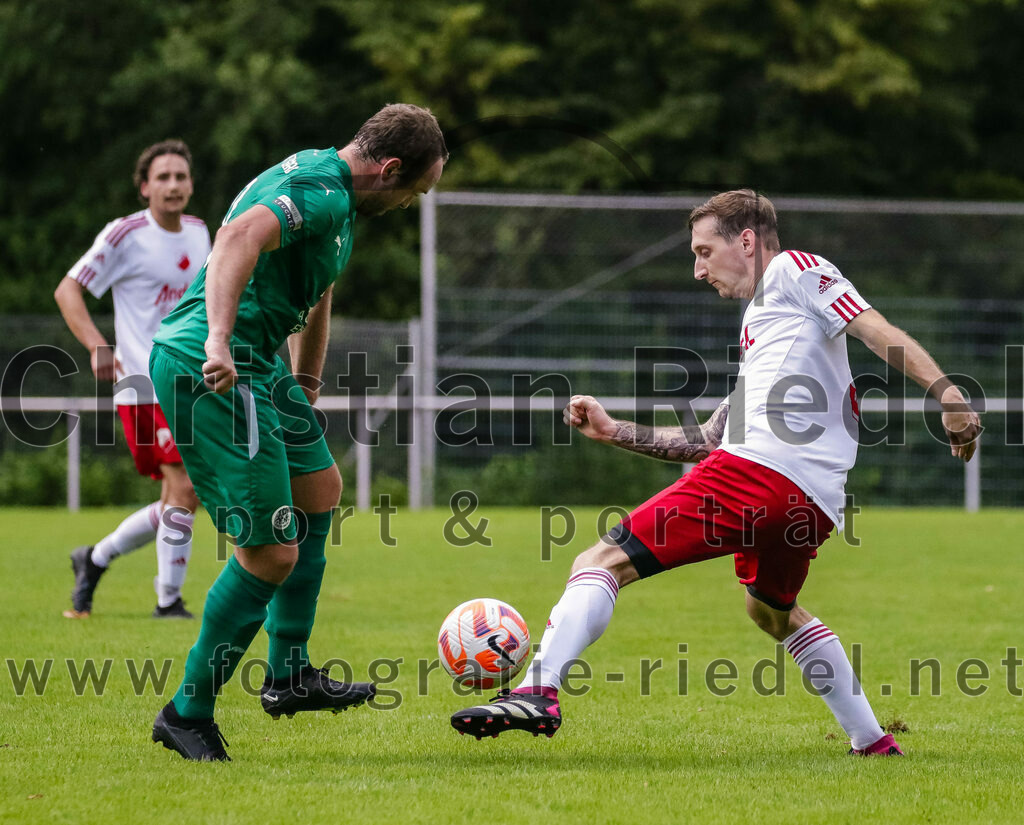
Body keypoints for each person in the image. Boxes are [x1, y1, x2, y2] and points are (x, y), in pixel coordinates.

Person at [451, 189, 981, 756]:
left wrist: (948, 395)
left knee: (600, 561)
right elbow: (707, 440)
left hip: (759, 475)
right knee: (771, 612)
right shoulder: (768, 331)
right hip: (812, 504)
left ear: (747, 241)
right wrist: (613, 430)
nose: (698, 270)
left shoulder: (794, 269)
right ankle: (872, 741)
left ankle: (537, 691)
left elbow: (875, 328)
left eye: (704, 252)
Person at [147, 103, 448, 761]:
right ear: (391, 169)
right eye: (414, 191)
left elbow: (317, 292)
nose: (409, 204)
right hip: (214, 363)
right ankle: (186, 712)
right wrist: (219, 339)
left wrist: (305, 385)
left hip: (263, 366)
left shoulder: (337, 199)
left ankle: (288, 673)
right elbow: (237, 238)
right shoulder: (321, 190)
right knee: (270, 553)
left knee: (320, 489)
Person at [55, 139, 211, 620]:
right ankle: (168, 602)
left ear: (191, 185)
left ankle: (95, 559)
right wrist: (96, 345)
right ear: (145, 187)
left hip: (189, 385)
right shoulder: (125, 234)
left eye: (180, 176)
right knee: (185, 488)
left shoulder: (200, 233)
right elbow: (67, 290)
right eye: (162, 177)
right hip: (142, 385)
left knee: (179, 498)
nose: (173, 185)